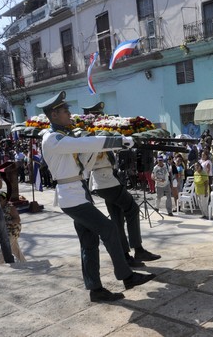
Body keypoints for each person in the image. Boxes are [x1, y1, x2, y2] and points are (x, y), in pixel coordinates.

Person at [37, 91, 155, 303]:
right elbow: (85, 145)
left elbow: (84, 162)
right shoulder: (52, 139)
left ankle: (96, 289)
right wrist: (119, 140)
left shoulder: (64, 137)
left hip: (78, 192)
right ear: (53, 115)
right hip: (72, 196)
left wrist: (107, 145)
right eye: (65, 111)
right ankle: (127, 277)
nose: (69, 114)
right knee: (108, 229)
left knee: (89, 241)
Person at [81, 103, 161, 267]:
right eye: (97, 116)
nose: (101, 119)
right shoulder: (91, 136)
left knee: (117, 218)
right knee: (132, 208)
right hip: (105, 180)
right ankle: (138, 249)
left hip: (107, 179)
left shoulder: (101, 135)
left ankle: (125, 256)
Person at [0, 191, 26, 263]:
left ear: (5, 199)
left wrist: (7, 222)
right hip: (3, 231)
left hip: (12, 231)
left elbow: (17, 219)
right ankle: (24, 262)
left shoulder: (10, 207)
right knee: (15, 249)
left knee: (4, 249)